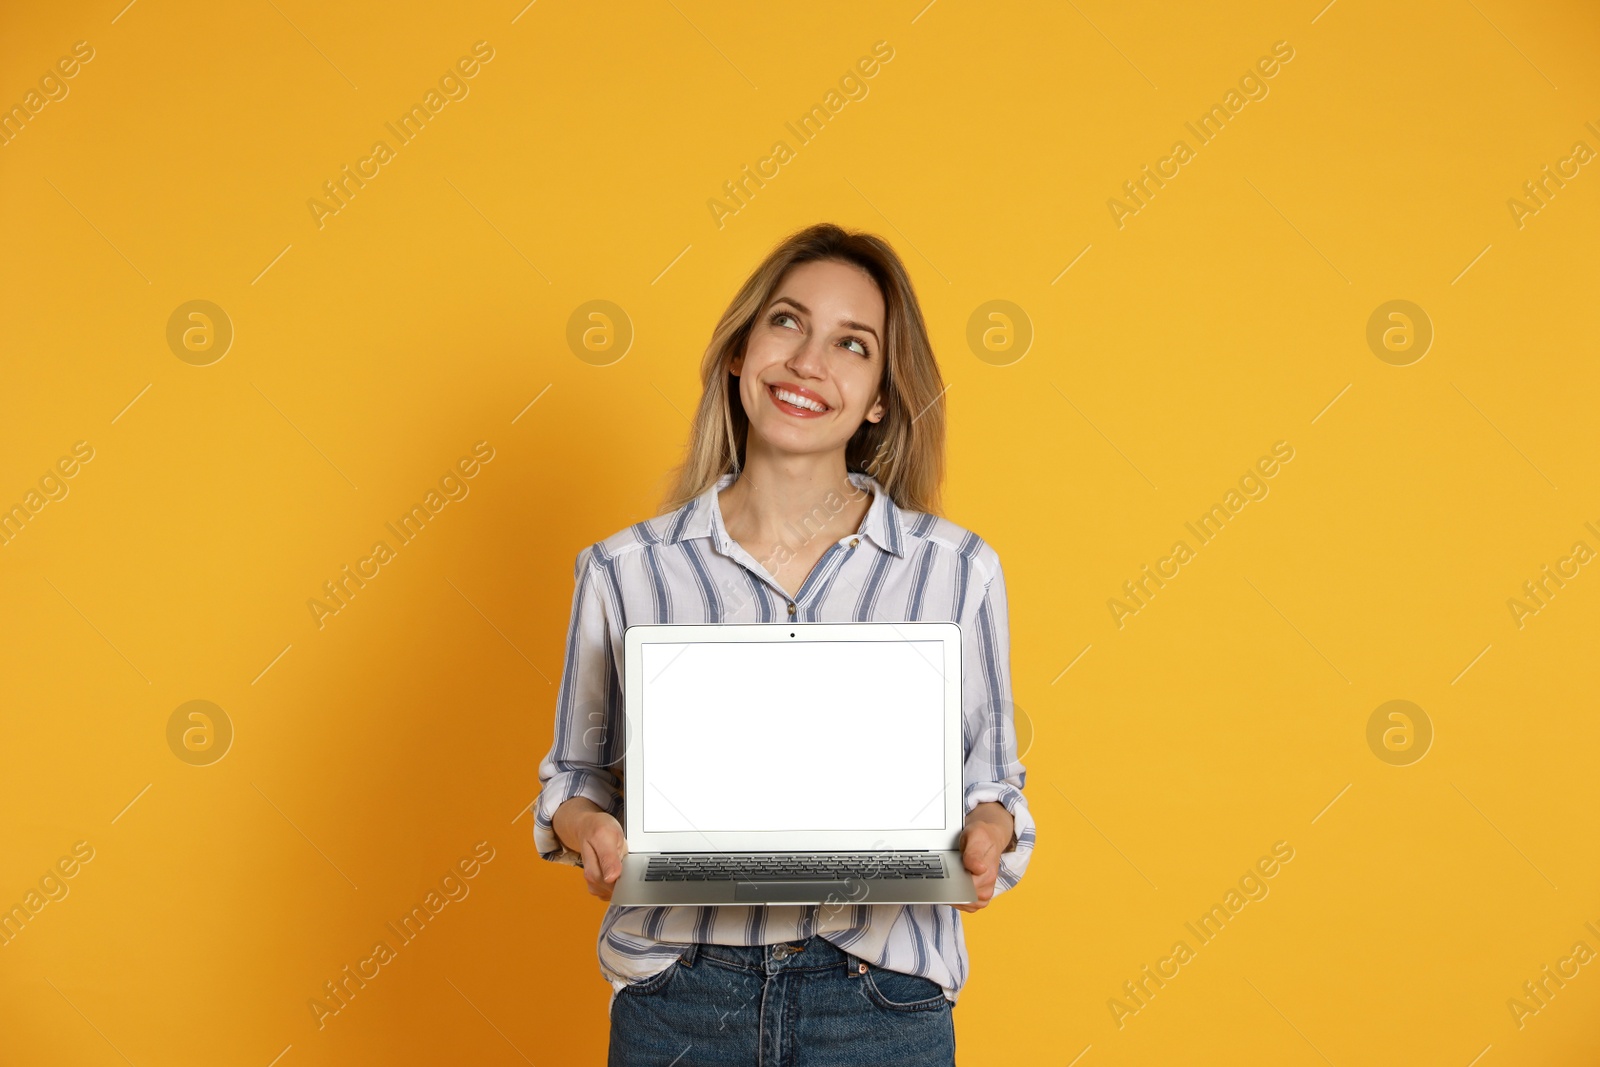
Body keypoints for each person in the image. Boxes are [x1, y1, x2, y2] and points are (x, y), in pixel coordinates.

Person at [533, 222, 1036, 1065]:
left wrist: (987, 831)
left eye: (852, 343)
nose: (810, 362)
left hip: (881, 999)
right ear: (739, 352)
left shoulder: (957, 572)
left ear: (880, 395)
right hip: (680, 998)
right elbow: (575, 780)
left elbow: (994, 784)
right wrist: (591, 828)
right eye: (787, 322)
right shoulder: (623, 571)